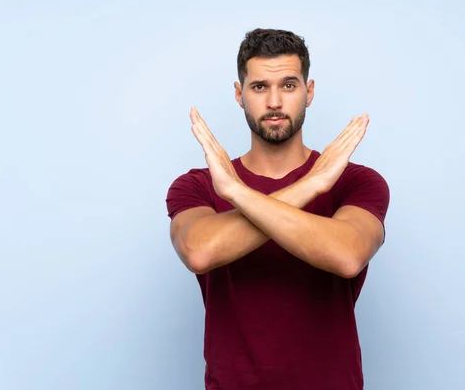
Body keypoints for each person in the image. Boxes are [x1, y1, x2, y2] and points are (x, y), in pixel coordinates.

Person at [166, 28, 390, 390]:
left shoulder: (355, 182)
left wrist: (240, 193)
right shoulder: (198, 186)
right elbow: (200, 251)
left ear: (309, 91)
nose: (274, 101)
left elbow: (347, 255)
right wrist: (309, 186)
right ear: (240, 95)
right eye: (259, 87)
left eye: (288, 85)